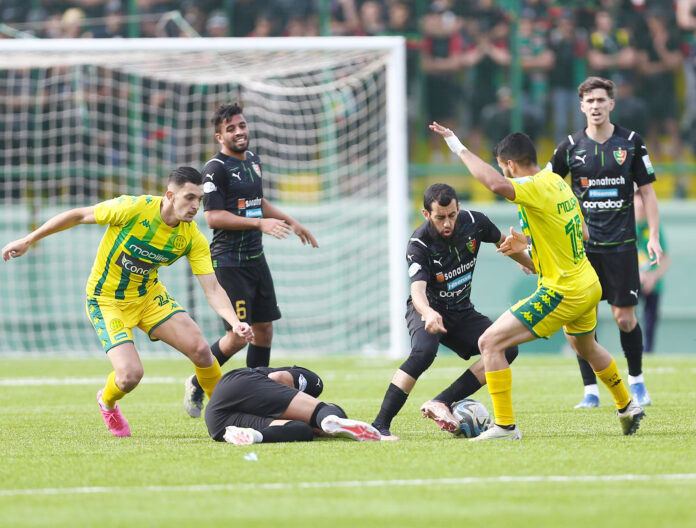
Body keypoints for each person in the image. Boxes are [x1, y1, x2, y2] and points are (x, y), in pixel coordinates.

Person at [430, 123, 645, 441]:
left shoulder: (531, 185)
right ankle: (627, 406)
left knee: (490, 343)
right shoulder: (556, 182)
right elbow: (583, 232)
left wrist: (457, 146)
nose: (505, 174)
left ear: (510, 165)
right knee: (586, 345)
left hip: (564, 290)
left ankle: (505, 426)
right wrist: (529, 249)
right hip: (588, 282)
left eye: (504, 168)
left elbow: (494, 184)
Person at [2, 167, 253, 437]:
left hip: (148, 298)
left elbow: (213, 288)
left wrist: (235, 322)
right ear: (170, 195)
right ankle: (107, 401)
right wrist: (29, 239)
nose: (195, 206)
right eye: (189, 198)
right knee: (130, 376)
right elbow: (78, 215)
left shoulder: (191, 237)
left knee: (201, 350)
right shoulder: (132, 208)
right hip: (106, 300)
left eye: (199, 200)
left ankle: (223, 415)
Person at [183, 102, 318, 418]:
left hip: (256, 260)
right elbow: (214, 216)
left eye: (242, 125)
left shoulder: (254, 161)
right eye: (231, 128)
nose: (239, 132)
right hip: (229, 263)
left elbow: (259, 201)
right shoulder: (214, 169)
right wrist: (259, 223)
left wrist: (291, 221)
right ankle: (197, 380)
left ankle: (261, 396)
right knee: (238, 336)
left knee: (265, 331)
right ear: (220, 136)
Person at [370, 183, 531, 440]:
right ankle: (379, 425)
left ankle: (442, 401)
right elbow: (417, 292)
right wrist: (428, 313)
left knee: (506, 348)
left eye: (452, 215)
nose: (447, 223)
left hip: (462, 311)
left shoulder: (475, 223)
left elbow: (505, 243)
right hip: (428, 310)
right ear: (426, 214)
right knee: (424, 353)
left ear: (459, 209)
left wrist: (533, 265)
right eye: (440, 217)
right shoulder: (418, 244)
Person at [547, 76, 663, 409]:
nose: (595, 106)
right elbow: (547, 189)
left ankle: (637, 383)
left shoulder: (631, 142)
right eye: (589, 101)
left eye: (601, 100)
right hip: (582, 249)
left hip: (622, 245)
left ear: (611, 104)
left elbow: (648, 192)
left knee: (625, 318)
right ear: (581, 106)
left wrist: (652, 236)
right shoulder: (569, 147)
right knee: (581, 321)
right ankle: (590, 391)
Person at [206, 365, 380, 444]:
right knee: (319, 412)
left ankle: (253, 436)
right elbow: (277, 378)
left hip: (219, 424)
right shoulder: (311, 381)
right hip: (238, 385)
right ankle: (328, 417)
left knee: (300, 430)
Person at [634, 192, 670, 353]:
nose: (640, 205)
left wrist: (653, 277)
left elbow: (666, 258)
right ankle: (632, 352)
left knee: (650, 323)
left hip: (653, 285)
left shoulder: (654, 227)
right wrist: (635, 275)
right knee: (629, 321)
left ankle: (648, 353)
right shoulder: (624, 227)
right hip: (632, 283)